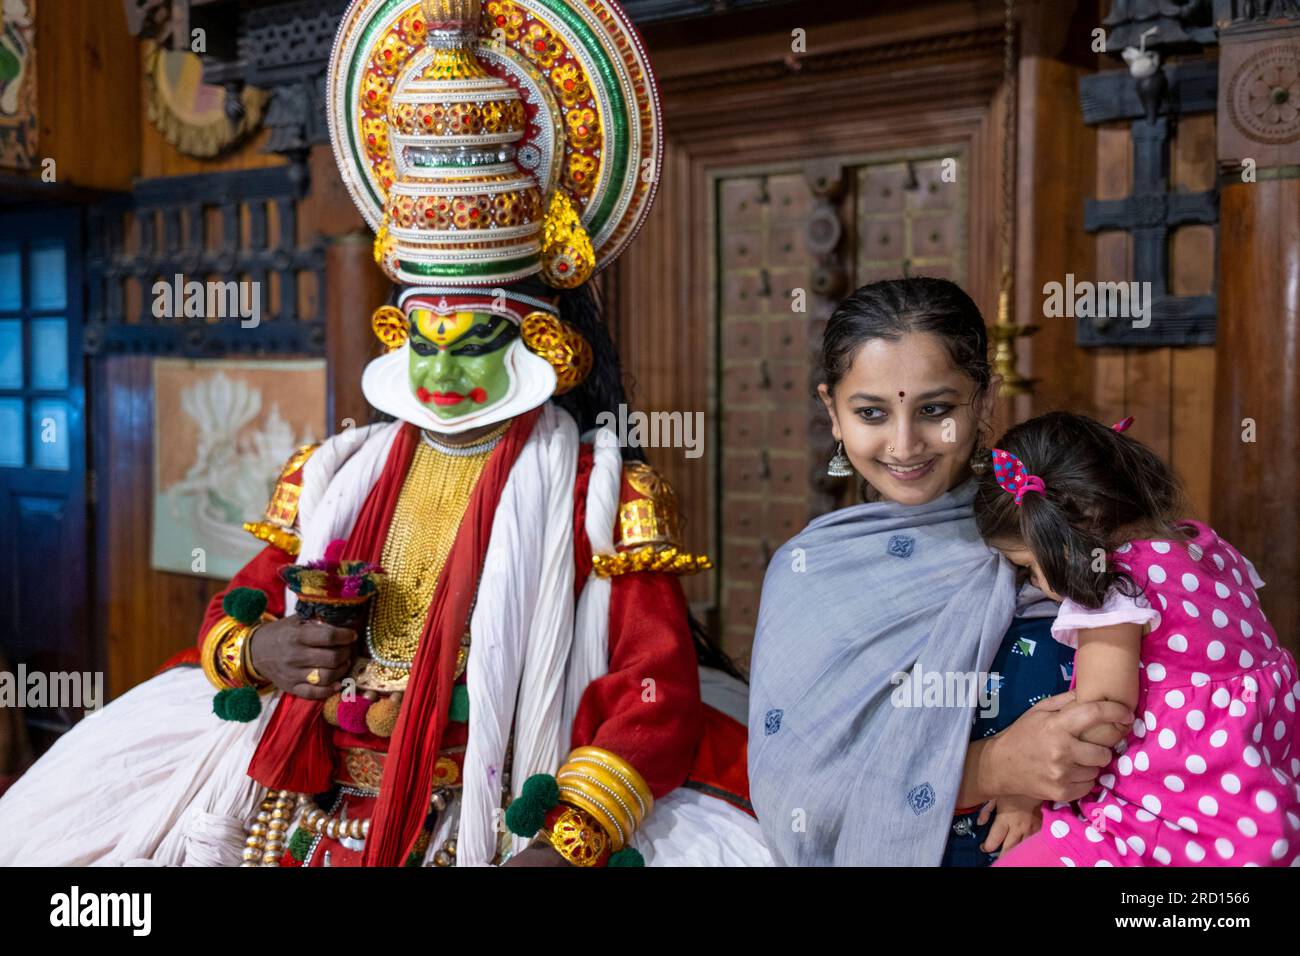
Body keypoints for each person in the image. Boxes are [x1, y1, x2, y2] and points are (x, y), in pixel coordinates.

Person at [0, 0, 769, 868]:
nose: (439, 379)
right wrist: (263, 647)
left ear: (540, 343)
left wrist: (569, 838)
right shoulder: (336, 473)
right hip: (302, 811)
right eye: (422, 346)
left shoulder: (606, 497)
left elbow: (654, 694)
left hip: (485, 817)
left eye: (472, 344)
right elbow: (237, 607)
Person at [748, 277, 1132, 866]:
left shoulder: (1058, 529)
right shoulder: (806, 574)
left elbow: (1172, 712)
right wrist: (996, 767)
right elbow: (800, 796)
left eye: (935, 410)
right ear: (832, 411)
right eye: (871, 412)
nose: (904, 445)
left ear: (984, 399)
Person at [975, 412, 1299, 867]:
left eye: (1028, 565)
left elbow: (1098, 723)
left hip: (1157, 822)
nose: (1036, 585)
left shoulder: (1115, 590)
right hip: (1252, 810)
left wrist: (1023, 787)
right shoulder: (1204, 548)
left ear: (1072, 532)